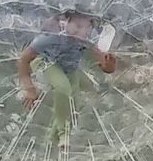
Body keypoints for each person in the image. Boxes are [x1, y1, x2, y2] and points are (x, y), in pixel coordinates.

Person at [18, 11, 116, 144]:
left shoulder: (85, 41)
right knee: (62, 88)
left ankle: (52, 142)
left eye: (85, 28)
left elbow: (106, 67)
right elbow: (23, 59)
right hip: (46, 62)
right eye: (77, 25)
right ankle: (63, 133)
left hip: (70, 68)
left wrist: (109, 65)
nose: (80, 31)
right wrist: (29, 88)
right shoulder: (50, 37)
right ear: (66, 21)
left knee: (72, 106)